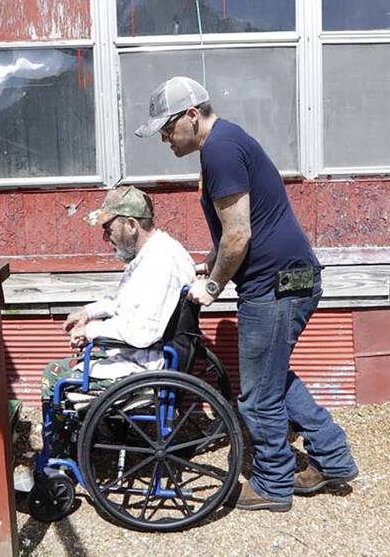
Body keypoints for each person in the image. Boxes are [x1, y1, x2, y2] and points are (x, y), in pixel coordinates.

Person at [135, 76, 359, 512]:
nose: (163, 137)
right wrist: (208, 263)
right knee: (273, 379)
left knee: (257, 394)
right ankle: (333, 458)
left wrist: (213, 286)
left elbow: (239, 235)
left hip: (275, 285)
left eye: (166, 127)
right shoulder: (224, 144)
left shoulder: (219, 150)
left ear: (191, 115)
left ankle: (274, 484)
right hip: (288, 279)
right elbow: (228, 234)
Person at [40, 186, 195, 411]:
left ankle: (62, 447)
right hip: (139, 354)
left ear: (131, 225)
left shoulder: (161, 263)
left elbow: (142, 333)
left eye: (108, 228)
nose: (105, 237)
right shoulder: (152, 253)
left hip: (143, 365)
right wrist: (88, 313)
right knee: (65, 365)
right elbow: (125, 303)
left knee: (54, 375)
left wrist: (91, 330)